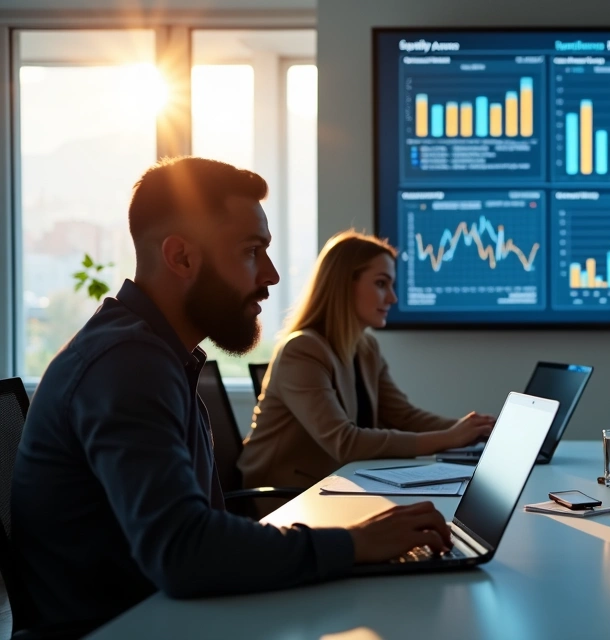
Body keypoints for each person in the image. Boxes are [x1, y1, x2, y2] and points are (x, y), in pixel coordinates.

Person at [11, 158, 454, 633]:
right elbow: (184, 552)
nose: (272, 275)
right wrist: (353, 544)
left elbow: (193, 539)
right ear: (181, 257)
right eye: (251, 251)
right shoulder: (128, 362)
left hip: (169, 614)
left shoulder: (159, 356)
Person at [238, 230, 495, 493]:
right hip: (283, 497)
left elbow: (402, 416)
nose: (392, 298)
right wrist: (448, 438)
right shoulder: (302, 350)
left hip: (336, 485)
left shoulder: (366, 347)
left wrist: (475, 430)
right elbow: (345, 442)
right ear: (343, 284)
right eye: (381, 284)